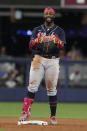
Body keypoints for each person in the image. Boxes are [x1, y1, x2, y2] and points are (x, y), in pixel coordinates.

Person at [19, 7, 66, 125]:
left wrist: (57, 41)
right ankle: (25, 112)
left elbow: (61, 46)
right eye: (47, 13)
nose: (49, 15)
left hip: (53, 60)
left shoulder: (59, 30)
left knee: (51, 89)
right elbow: (30, 46)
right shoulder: (37, 30)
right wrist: (36, 41)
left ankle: (53, 116)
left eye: (51, 13)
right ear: (44, 15)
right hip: (38, 59)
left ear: (54, 16)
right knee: (32, 86)